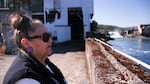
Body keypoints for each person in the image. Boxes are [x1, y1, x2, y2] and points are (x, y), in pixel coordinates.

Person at [3, 12, 67, 84]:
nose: (51, 40)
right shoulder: (25, 79)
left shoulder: (44, 63)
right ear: (26, 43)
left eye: (50, 35)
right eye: (45, 37)